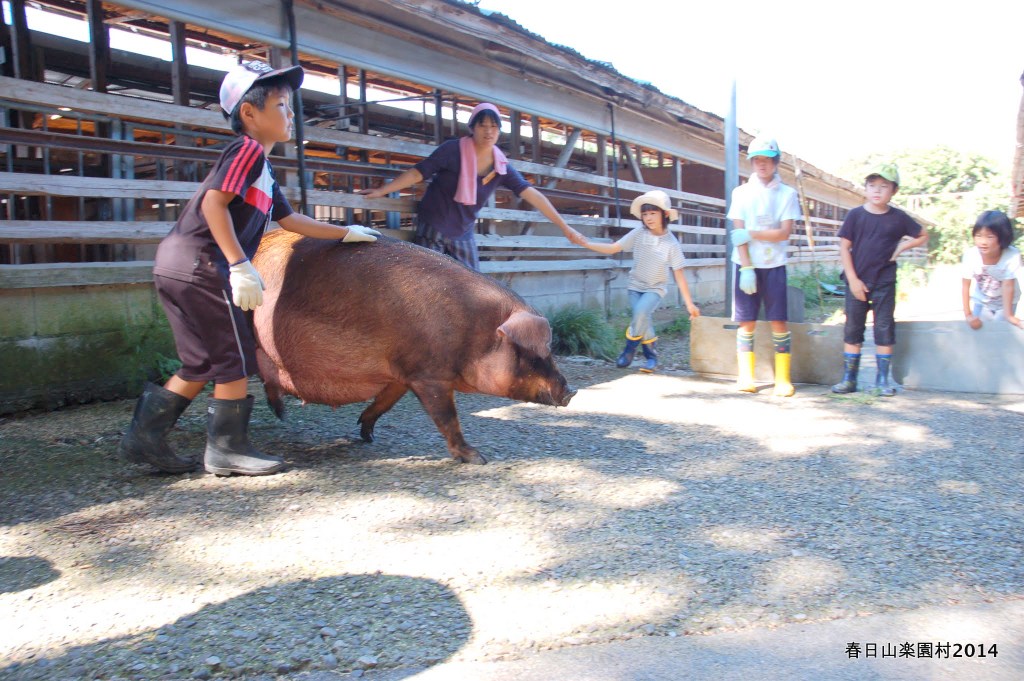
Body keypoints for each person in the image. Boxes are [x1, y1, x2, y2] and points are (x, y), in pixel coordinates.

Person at [120, 61, 380, 476]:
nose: (290, 114)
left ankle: (144, 438)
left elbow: (291, 221)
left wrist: (345, 232)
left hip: (175, 263)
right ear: (249, 113)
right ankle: (227, 449)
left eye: (290, 106)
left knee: (200, 363)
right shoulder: (247, 151)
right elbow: (213, 203)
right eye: (281, 105)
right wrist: (239, 263)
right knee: (237, 357)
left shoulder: (263, 169)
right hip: (202, 264)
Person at [359, 102, 585, 269]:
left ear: (499, 131)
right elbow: (418, 173)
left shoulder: (501, 166)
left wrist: (565, 227)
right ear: (472, 128)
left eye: (494, 127)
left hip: (462, 231)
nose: (488, 131)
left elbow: (532, 194)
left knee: (472, 283)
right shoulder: (452, 150)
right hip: (434, 225)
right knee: (428, 280)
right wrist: (381, 191)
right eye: (483, 125)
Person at [576, 190, 700, 372]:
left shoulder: (671, 243)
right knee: (642, 319)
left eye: (653, 213)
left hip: (655, 289)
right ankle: (652, 357)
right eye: (645, 214)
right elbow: (613, 248)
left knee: (641, 313)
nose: (648, 218)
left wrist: (689, 304)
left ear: (664, 214)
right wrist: (586, 243)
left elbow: (679, 274)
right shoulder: (639, 233)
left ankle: (629, 349)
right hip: (635, 286)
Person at [831, 163, 928, 396]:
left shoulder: (899, 218)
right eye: (872, 185)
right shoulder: (855, 216)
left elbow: (923, 234)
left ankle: (883, 379)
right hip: (857, 281)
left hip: (884, 280)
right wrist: (853, 280)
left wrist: (903, 246)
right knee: (853, 328)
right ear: (865, 188)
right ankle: (849, 378)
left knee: (884, 327)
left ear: (893, 191)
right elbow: (844, 247)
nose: (877, 190)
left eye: (884, 186)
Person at [727, 136, 802, 396]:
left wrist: (753, 233)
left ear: (776, 162)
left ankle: (783, 378)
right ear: (751, 162)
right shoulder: (741, 193)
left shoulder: (787, 194)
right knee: (746, 321)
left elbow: (784, 233)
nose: (762, 164)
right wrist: (746, 267)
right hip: (746, 265)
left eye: (767, 160)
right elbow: (738, 235)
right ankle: (745, 376)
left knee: (778, 320)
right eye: (757, 159)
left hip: (774, 264)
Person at [961, 210, 1021, 329]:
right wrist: (968, 315)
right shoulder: (970, 255)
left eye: (990, 237)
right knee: (979, 332)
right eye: (978, 236)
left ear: (1003, 237)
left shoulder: (1012, 255)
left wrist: (1009, 316)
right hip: (982, 302)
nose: (983, 242)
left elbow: (1008, 286)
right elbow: (965, 285)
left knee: (1000, 333)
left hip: (1006, 303)